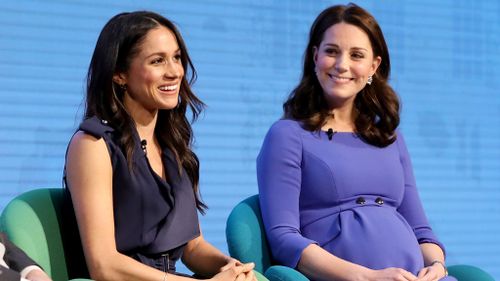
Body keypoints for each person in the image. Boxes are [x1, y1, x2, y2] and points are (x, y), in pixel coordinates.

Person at [257, 3, 455, 281]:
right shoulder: (287, 135)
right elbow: (283, 237)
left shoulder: (390, 138)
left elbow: (421, 229)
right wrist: (365, 277)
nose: (342, 65)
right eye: (331, 51)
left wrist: (436, 267)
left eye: (356, 55)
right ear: (315, 57)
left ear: (374, 65)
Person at [64, 11, 257, 281]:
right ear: (119, 74)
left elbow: (193, 247)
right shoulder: (92, 145)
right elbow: (103, 264)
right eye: (157, 61)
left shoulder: (173, 145)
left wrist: (231, 268)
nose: (174, 72)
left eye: (176, 58)